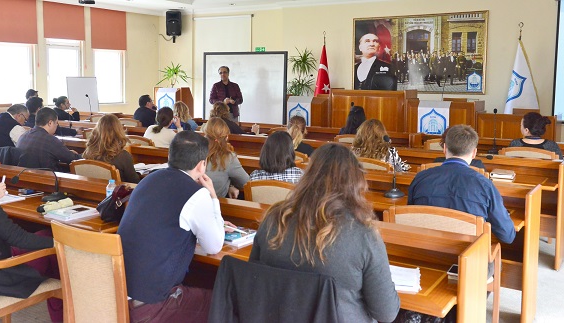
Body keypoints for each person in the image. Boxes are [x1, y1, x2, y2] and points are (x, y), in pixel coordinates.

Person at [249, 143, 400, 323]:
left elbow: (254, 280)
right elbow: (387, 313)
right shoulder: (364, 235)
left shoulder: (273, 218)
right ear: (356, 183)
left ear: (308, 176)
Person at [118, 131, 235, 323]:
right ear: (201, 165)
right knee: (225, 302)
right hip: (153, 304)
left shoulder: (146, 181)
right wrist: (213, 196)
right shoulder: (196, 194)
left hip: (122, 295)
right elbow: (214, 246)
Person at [0, 143, 62, 322]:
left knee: (44, 236)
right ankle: (62, 314)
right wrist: (60, 243)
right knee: (53, 249)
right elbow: (17, 237)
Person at [409, 125, 516, 244]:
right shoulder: (485, 185)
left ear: (444, 148)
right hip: (468, 255)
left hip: (425, 249)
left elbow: (410, 218)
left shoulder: (421, 178)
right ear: (474, 153)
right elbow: (508, 236)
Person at [17, 108, 82, 171]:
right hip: (47, 179)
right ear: (50, 123)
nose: (57, 125)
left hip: (26, 177)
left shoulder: (23, 136)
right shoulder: (51, 140)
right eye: (56, 123)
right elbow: (72, 159)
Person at [82, 114, 140, 183]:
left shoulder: (88, 152)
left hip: (93, 191)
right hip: (116, 193)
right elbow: (134, 182)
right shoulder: (123, 156)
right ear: (119, 131)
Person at [204, 117, 249, 198]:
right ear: (226, 137)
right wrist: (230, 185)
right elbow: (245, 183)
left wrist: (229, 185)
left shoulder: (193, 151)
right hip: (217, 205)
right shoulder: (228, 157)